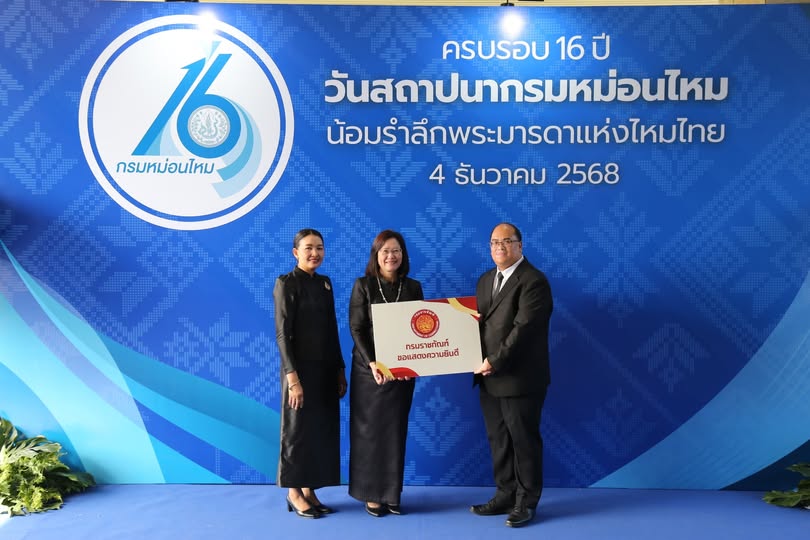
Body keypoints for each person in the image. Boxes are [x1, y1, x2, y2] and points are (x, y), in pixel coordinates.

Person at [470, 222, 553, 528]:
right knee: (499, 441)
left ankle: (526, 502)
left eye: (506, 241)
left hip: (520, 378)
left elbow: (524, 329)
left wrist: (494, 360)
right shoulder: (485, 280)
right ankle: (505, 494)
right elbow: (477, 325)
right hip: (488, 377)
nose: (499, 247)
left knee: (523, 442)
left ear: (520, 245)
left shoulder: (533, 281)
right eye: (494, 242)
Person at [348, 230, 424, 517]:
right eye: (385, 251)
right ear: (376, 256)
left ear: (403, 255)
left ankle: (391, 494)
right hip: (369, 372)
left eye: (396, 251)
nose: (391, 256)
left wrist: (415, 363)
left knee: (394, 432)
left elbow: (420, 330)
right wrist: (373, 363)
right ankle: (371, 494)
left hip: (402, 373)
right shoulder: (364, 285)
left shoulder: (413, 287)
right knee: (370, 433)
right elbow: (357, 328)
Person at [274, 228, 348, 519]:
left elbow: (332, 330)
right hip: (299, 370)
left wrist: (340, 369)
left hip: (325, 370)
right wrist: (292, 378)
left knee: (318, 430)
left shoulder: (325, 284)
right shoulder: (286, 283)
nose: (315, 253)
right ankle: (293, 492)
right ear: (296, 253)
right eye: (308, 248)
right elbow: (282, 334)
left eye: (319, 247)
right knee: (297, 431)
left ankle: (309, 489)